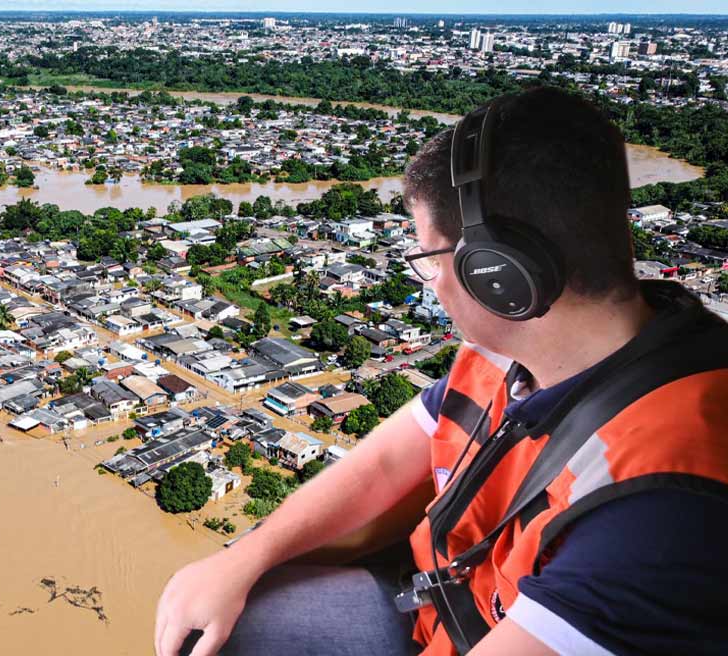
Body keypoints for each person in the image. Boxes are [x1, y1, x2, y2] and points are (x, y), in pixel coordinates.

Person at [153, 86, 728, 656]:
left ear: (496, 274)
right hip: (437, 605)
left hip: (478, 630)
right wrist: (243, 557)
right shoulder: (500, 352)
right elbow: (380, 466)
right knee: (209, 633)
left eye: (429, 257)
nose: (428, 282)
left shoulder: (661, 500)